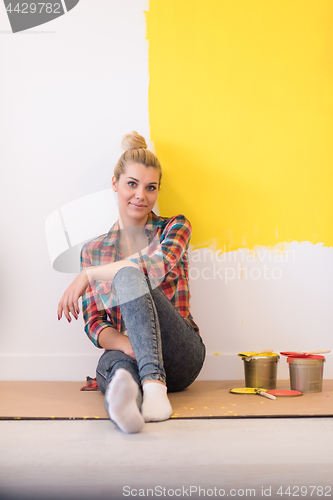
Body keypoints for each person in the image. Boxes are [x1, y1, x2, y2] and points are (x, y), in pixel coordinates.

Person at [57, 131, 206, 433]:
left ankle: (153, 390)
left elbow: (157, 264)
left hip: (179, 354)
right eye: (132, 184)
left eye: (150, 188)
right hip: (128, 355)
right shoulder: (92, 250)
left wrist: (90, 274)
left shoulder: (174, 227)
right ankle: (123, 400)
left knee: (129, 273)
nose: (141, 195)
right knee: (112, 365)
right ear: (115, 184)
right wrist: (129, 345)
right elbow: (95, 324)